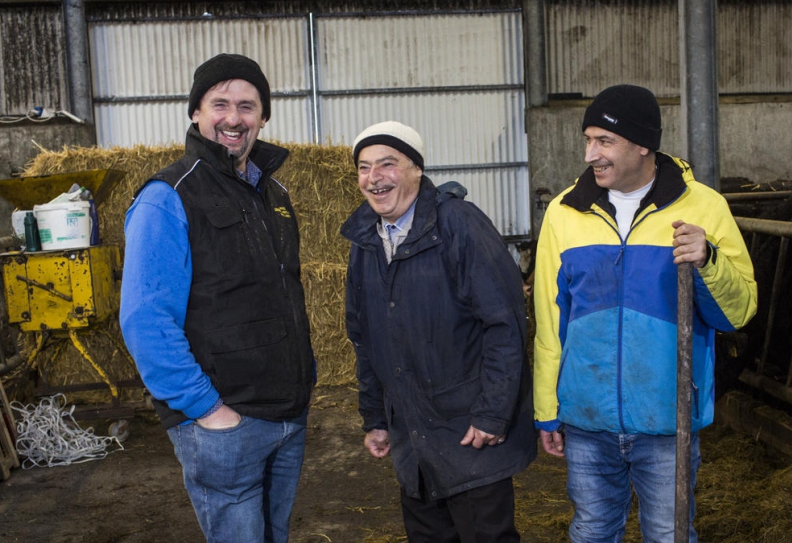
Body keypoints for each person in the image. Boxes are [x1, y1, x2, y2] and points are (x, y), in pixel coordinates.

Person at [532, 84, 758, 543]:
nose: (591, 153)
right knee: (592, 530)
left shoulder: (704, 207)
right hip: (586, 417)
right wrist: (546, 409)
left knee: (668, 533)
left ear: (642, 145)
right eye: (588, 140)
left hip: (666, 415)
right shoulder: (563, 212)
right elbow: (549, 321)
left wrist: (707, 261)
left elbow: (739, 312)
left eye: (604, 141)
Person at [119, 53, 315, 543]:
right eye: (219, 103)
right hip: (226, 422)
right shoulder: (167, 197)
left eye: (247, 106)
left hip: (287, 414)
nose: (234, 118)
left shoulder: (275, 194)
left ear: (263, 118)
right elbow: (146, 321)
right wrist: (207, 410)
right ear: (195, 113)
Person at [341, 121, 537, 542]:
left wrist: (492, 414)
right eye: (364, 167)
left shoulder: (458, 226)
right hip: (414, 441)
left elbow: (504, 324)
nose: (374, 178)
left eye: (387, 164)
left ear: (415, 169)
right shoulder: (366, 243)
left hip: (471, 434)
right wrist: (375, 418)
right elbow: (365, 340)